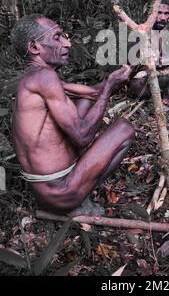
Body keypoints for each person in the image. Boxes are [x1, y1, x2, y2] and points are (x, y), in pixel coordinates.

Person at [11, 14, 135, 216]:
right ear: (35, 47)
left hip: (45, 193)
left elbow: (93, 93)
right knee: (124, 129)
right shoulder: (44, 77)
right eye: (57, 37)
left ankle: (80, 186)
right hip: (61, 193)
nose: (68, 43)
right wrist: (110, 86)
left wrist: (123, 75)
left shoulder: (32, 78)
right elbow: (83, 137)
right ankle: (81, 197)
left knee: (85, 101)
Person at [129, 2, 169, 102]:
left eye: (166, 13)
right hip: (140, 83)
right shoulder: (143, 32)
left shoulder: (164, 33)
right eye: (159, 13)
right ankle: (153, 101)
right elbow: (149, 63)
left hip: (155, 75)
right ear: (151, 14)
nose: (162, 17)